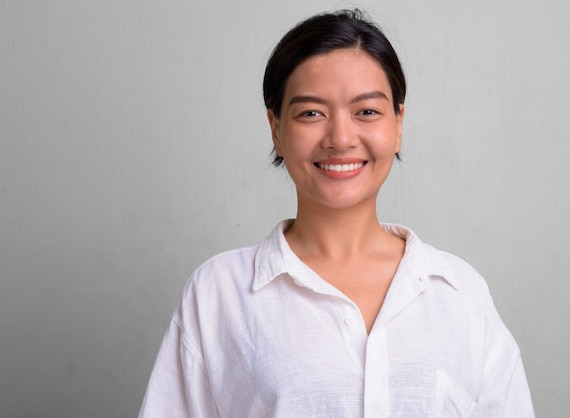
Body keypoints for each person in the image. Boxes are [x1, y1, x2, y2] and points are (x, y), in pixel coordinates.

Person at [139, 9, 535, 417]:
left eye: (366, 112)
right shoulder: (218, 295)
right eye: (311, 113)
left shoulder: (459, 293)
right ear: (276, 129)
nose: (341, 138)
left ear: (398, 123)